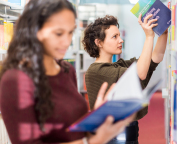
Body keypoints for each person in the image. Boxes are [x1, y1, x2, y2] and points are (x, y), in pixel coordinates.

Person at [0, 0, 135, 144]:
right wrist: (90, 142)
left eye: (70, 32)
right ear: (35, 31)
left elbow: (69, 130)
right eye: (58, 33)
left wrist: (96, 120)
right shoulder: (15, 80)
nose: (66, 41)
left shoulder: (66, 70)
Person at [83, 14, 167, 143]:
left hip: (127, 130)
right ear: (98, 42)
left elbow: (156, 57)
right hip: (111, 135)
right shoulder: (96, 70)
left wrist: (163, 33)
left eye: (119, 36)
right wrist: (149, 36)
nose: (121, 40)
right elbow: (141, 74)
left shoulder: (119, 65)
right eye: (114, 37)